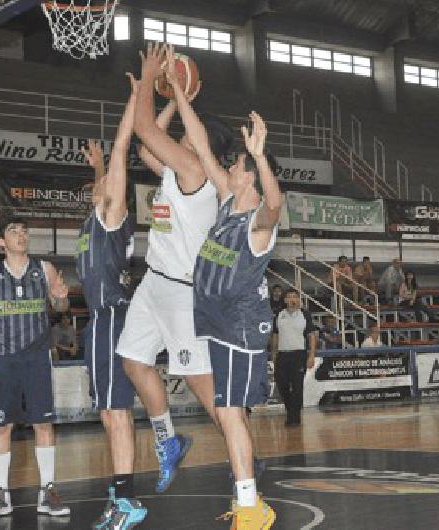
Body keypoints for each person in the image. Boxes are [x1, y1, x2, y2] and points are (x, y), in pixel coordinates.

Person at [117, 42, 234, 495]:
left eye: (192, 132)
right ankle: (168, 440)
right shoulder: (177, 168)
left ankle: (245, 454)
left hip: (182, 292)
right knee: (132, 360)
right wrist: (170, 96)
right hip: (153, 284)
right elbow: (148, 150)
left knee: (202, 387)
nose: (186, 135)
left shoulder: (194, 171)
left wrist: (150, 81)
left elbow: (144, 130)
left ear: (203, 148)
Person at [172, 67, 281, 525]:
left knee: (230, 411)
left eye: (237, 166)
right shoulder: (225, 204)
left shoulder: (258, 224)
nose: (230, 166)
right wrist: (179, 92)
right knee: (230, 411)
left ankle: (251, 507)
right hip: (217, 322)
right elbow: (197, 141)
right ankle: (247, 501)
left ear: (249, 179)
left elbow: (276, 207)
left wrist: (261, 157)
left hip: (240, 324)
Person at [0, 217, 71, 521]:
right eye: (14, 232)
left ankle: (48, 490)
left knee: (43, 424)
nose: (21, 235)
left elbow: (60, 309)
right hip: (4, 358)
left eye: (24, 231)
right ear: (1, 242)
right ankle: (0, 494)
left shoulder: (44, 269)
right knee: (1, 425)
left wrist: (61, 299)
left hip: (37, 357)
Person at [76, 75, 148, 530]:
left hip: (112, 318)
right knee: (107, 413)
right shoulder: (91, 222)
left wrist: (137, 97)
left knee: (117, 413)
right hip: (97, 323)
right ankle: (119, 494)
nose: (98, 187)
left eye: (103, 185)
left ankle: (127, 500)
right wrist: (98, 165)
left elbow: (123, 151)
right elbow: (105, 175)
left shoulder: (112, 217)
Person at [272, 289, 317, 428]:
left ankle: (294, 417)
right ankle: (290, 411)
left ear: (299, 299)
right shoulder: (279, 315)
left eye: (295, 297)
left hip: (299, 354)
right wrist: (274, 355)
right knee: (282, 386)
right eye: (289, 296)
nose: (292, 299)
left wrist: (311, 355)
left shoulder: (305, 314)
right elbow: (275, 335)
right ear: (285, 300)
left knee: (297, 387)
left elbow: (312, 336)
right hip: (282, 355)